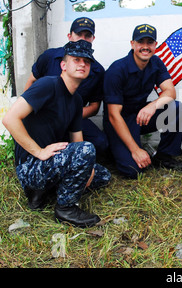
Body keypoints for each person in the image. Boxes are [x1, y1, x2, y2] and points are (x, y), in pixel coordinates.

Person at [2, 40, 111, 228]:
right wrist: (38, 151)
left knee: (102, 175)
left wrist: (88, 168)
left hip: (50, 161)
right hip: (30, 166)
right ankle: (65, 208)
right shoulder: (47, 85)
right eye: (76, 60)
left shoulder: (76, 100)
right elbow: (9, 119)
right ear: (63, 65)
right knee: (87, 150)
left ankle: (42, 193)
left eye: (86, 61)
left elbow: (77, 139)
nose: (82, 64)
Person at [103, 24, 182, 178]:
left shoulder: (155, 63)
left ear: (155, 45)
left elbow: (170, 92)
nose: (145, 47)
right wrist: (135, 150)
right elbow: (113, 116)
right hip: (120, 120)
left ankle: (164, 156)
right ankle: (116, 149)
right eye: (140, 42)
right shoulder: (117, 70)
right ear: (132, 44)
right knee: (133, 171)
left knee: (175, 108)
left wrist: (152, 106)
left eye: (149, 42)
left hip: (141, 115)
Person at [24, 17, 109, 156]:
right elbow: (31, 82)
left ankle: (68, 156)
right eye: (78, 34)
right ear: (70, 36)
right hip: (45, 118)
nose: (82, 39)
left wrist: (68, 116)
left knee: (100, 143)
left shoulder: (97, 70)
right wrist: (29, 115)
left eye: (87, 36)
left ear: (93, 38)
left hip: (75, 119)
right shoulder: (49, 57)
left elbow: (94, 107)